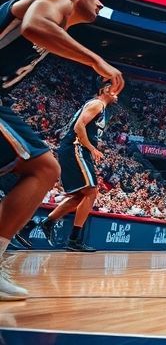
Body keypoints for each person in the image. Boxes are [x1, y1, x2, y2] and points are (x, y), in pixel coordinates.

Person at [0, 0, 123, 300]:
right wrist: (97, 59)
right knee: (43, 169)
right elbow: (33, 25)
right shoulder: (54, 1)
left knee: (42, 170)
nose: (100, 2)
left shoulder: (60, 29)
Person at [39, 81, 118, 252]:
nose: (118, 92)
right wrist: (91, 148)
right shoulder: (97, 103)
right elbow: (78, 126)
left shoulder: (100, 108)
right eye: (115, 88)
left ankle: (48, 222)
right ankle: (73, 239)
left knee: (80, 195)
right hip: (76, 146)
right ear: (105, 89)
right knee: (91, 190)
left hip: (75, 148)